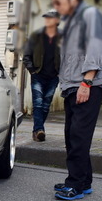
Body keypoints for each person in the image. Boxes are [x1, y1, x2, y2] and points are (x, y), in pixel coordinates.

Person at [50, 0, 102, 201]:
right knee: (75, 136)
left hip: (85, 86)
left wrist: (87, 82)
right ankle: (83, 181)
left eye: (59, 0)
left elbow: (97, 48)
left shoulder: (90, 16)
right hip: (72, 86)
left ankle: (74, 184)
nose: (56, 5)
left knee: (77, 137)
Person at [22, 9, 61, 142]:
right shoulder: (36, 35)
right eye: (46, 18)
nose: (48, 20)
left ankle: (37, 130)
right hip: (38, 75)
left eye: (51, 18)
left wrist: (60, 72)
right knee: (38, 104)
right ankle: (39, 130)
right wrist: (32, 70)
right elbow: (26, 55)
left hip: (53, 76)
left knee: (46, 105)